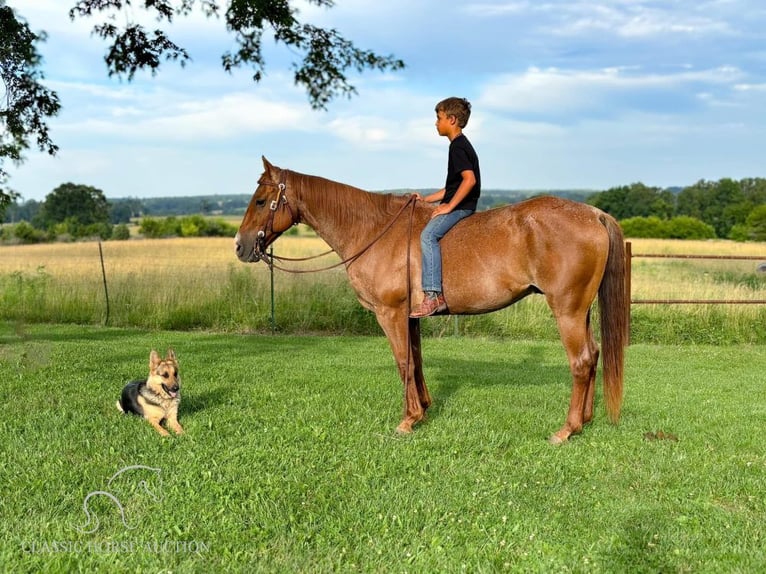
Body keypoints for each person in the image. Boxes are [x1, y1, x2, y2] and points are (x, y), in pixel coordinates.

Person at [409, 97, 481, 318]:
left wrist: (449, 206)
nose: (435, 123)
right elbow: (451, 187)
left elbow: (469, 180)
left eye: (438, 118)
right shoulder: (460, 144)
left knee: (427, 236)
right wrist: (425, 201)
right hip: (460, 204)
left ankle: (432, 296)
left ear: (452, 119)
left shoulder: (458, 147)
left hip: (462, 208)